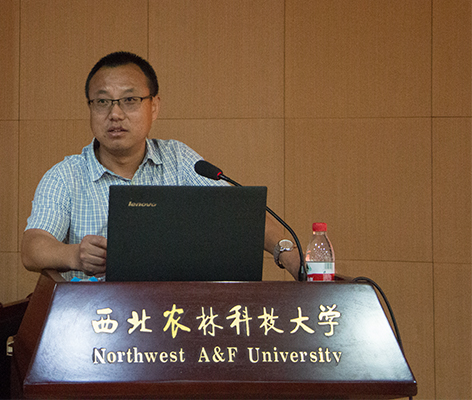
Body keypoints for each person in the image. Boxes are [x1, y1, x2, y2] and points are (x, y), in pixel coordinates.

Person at [21, 51, 301, 281]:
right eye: (102, 102)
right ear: (90, 108)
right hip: (96, 319)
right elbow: (33, 247)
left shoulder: (178, 159)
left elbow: (238, 213)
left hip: (170, 318)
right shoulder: (65, 175)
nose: (115, 114)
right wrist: (74, 255)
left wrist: (288, 254)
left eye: (129, 100)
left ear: (154, 106)